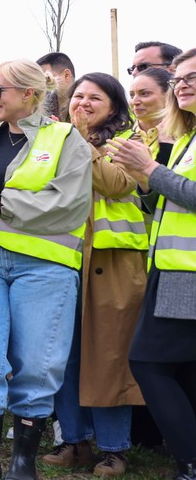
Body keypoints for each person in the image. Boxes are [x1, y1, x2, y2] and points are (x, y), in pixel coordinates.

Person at [0, 60, 92, 480]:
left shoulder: (66, 139)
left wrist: (1, 203)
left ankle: (23, 464)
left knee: (36, 364)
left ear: (29, 94)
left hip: (44, 267)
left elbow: (70, 204)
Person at [40, 73, 147, 477]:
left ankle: (114, 448)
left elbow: (118, 184)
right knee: (63, 356)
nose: (82, 103)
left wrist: (82, 141)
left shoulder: (130, 141)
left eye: (94, 98)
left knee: (107, 356)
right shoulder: (54, 139)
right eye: (77, 96)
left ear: (114, 107)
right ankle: (74, 440)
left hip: (113, 264)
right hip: (63, 258)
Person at [108, 48, 196, 480]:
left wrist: (151, 169)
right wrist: (144, 178)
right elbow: (165, 200)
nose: (183, 84)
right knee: (185, 369)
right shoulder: (185, 138)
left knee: (147, 363)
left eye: (192, 76)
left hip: (189, 273)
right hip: (172, 268)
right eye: (179, 77)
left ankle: (190, 462)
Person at [130, 67, 173, 162]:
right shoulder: (120, 133)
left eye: (144, 94)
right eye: (132, 95)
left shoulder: (186, 133)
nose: (135, 101)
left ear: (168, 95)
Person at [37, 51, 77, 122]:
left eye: (47, 78)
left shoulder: (85, 104)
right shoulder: (41, 106)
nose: (41, 83)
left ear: (66, 75)